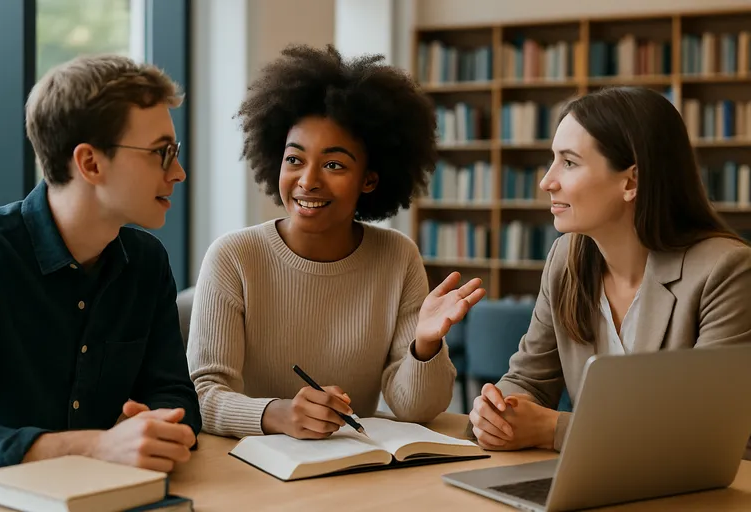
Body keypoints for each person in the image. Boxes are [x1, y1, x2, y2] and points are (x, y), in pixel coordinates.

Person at [187, 44, 485, 440]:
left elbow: (417, 409)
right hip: (251, 467)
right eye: (294, 159)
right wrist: (277, 415)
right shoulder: (234, 257)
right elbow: (202, 396)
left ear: (370, 180)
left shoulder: (397, 257)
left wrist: (425, 346)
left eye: (333, 165)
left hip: (350, 467)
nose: (308, 180)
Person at [469, 86, 751, 453]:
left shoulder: (726, 271)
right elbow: (529, 380)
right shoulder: (565, 259)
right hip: (595, 484)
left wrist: (554, 429)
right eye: (553, 160)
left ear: (631, 181)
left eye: (568, 163)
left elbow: (706, 431)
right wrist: (496, 413)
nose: (546, 181)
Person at [0, 55, 201, 471]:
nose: (179, 172)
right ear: (90, 163)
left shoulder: (147, 262)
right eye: (161, 153)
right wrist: (96, 446)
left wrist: (153, 426)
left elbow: (175, 396)